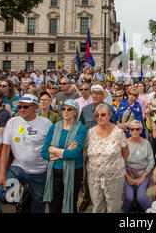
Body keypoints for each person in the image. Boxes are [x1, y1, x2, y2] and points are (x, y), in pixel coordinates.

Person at [0, 94, 52, 213]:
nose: (21, 110)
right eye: (20, 107)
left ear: (35, 107)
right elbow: (5, 149)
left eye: (26, 107)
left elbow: (51, 147)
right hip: (18, 168)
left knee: (39, 202)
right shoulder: (12, 122)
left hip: (40, 171)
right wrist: (1, 175)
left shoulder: (46, 123)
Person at [41, 99, 86, 213]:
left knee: (71, 203)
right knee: (54, 204)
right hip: (54, 170)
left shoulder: (81, 128)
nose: (65, 111)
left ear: (75, 112)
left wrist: (54, 150)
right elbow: (44, 152)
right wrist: (64, 152)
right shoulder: (54, 127)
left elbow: (75, 153)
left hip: (73, 171)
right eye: (63, 108)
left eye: (69, 109)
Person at [86, 103, 129, 213]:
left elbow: (126, 152)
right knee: (97, 206)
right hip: (94, 178)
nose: (99, 117)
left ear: (109, 116)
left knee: (113, 208)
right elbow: (86, 150)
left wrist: (114, 167)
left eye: (103, 114)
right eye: (96, 115)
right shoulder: (90, 132)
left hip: (114, 178)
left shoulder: (118, 132)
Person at [77, 84, 113, 212]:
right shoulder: (86, 109)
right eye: (94, 93)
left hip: (105, 146)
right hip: (89, 147)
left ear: (103, 95)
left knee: (105, 173)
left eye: (99, 93)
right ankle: (87, 198)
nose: (96, 95)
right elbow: (81, 127)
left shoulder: (109, 108)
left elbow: (113, 127)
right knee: (87, 174)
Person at [123, 120, 155, 212]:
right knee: (129, 198)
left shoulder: (146, 143)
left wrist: (143, 177)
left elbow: (151, 161)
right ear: (129, 131)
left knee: (141, 198)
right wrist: (128, 177)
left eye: (137, 129)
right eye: (132, 129)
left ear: (141, 130)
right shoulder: (125, 143)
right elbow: (121, 163)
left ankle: (152, 210)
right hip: (128, 173)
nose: (135, 131)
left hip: (143, 173)